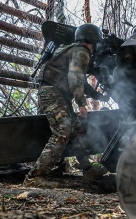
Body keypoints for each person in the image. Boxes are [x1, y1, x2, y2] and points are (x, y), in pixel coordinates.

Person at [23, 23, 107, 187]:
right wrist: (82, 103)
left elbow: (80, 81)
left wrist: (99, 96)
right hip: (53, 93)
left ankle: (88, 169)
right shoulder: (81, 51)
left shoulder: (72, 49)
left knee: (77, 131)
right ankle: (33, 177)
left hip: (56, 94)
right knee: (63, 132)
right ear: (93, 40)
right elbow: (75, 78)